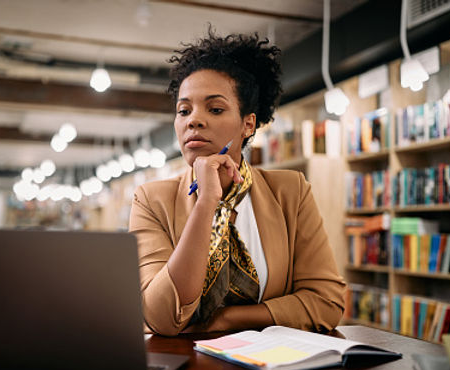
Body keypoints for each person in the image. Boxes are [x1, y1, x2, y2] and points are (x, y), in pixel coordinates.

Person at [129, 29, 346, 336]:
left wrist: (231, 319)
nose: (193, 120)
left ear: (248, 124)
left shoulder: (291, 191)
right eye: (183, 110)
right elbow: (161, 316)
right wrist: (206, 204)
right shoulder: (151, 199)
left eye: (215, 109)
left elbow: (326, 301)